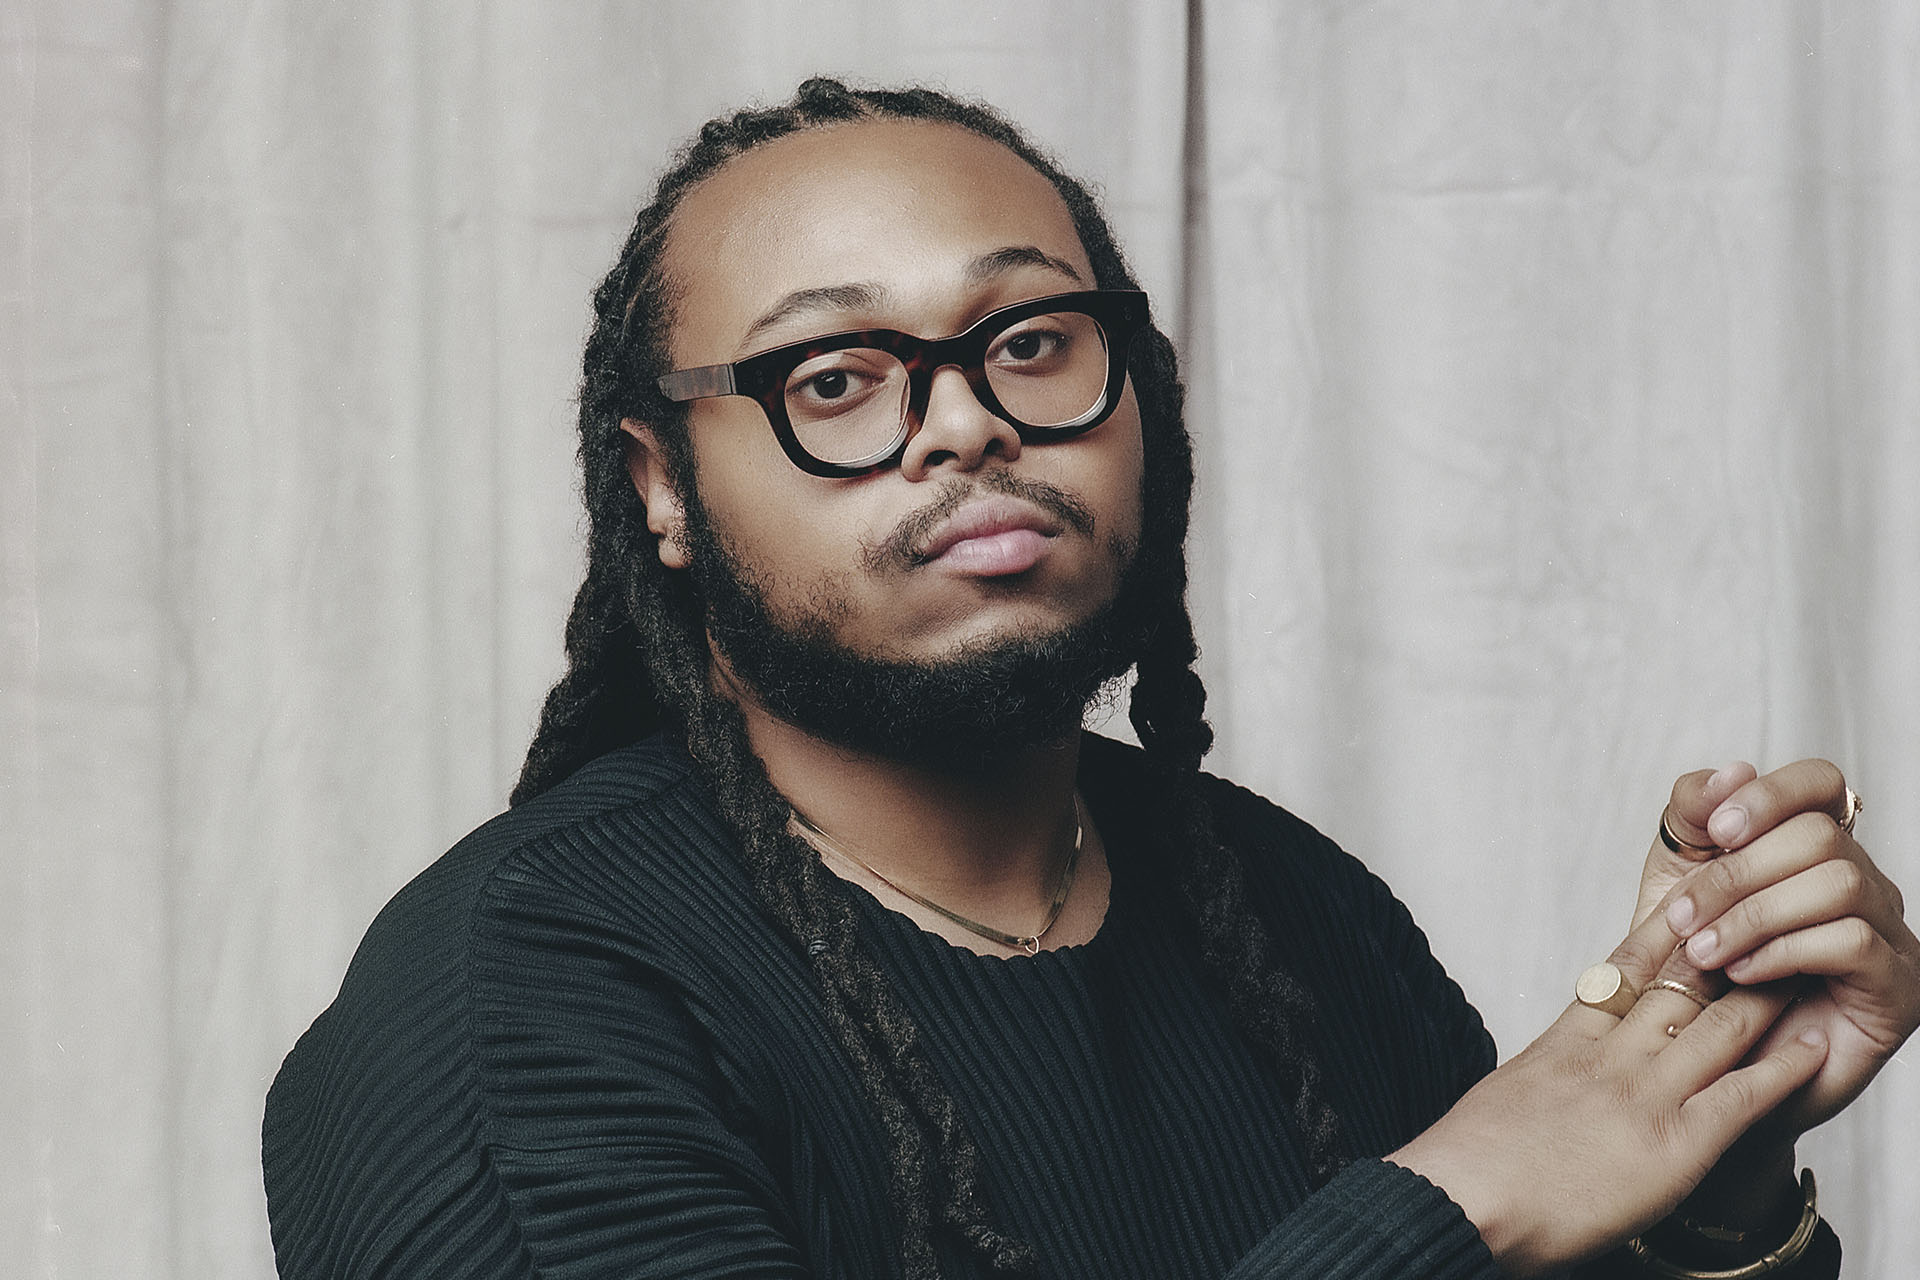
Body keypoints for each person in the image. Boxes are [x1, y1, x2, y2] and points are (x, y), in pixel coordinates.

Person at [261, 79, 1919, 1279]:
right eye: (836, 377)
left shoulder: (1294, 912)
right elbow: (1459, 1212)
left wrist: (1710, 1150)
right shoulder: (508, 1011)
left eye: (1032, 342)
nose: (968, 422)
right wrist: (1450, 1205)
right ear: (660, 488)